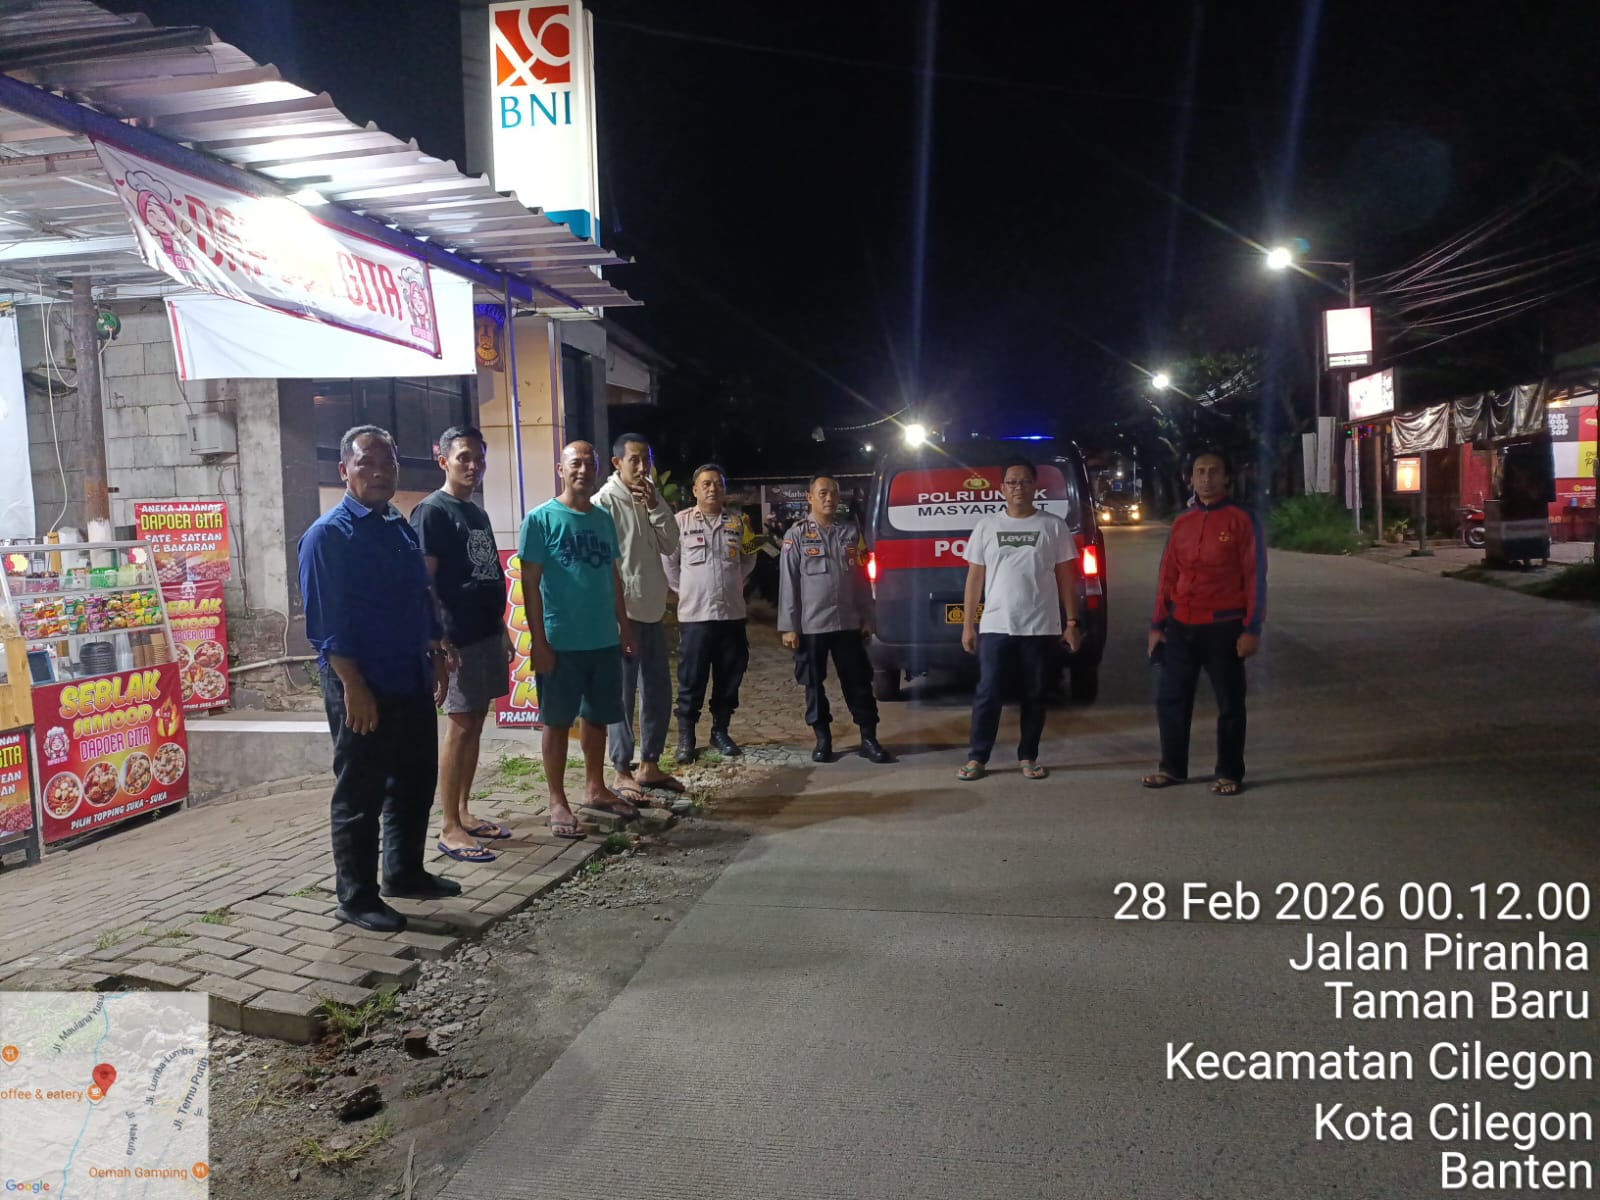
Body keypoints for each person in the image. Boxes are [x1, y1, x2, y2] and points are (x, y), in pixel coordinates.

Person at [297, 425, 458, 933]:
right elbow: (325, 624)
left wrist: (435, 649)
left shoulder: (396, 525)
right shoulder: (328, 536)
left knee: (415, 779)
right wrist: (354, 686)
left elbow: (418, 595)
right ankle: (356, 897)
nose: (379, 472)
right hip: (361, 682)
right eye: (366, 463)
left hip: (409, 673)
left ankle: (404, 872)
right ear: (344, 470)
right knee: (360, 791)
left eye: (388, 463)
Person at [518, 441, 638, 839]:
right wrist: (539, 642)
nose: (583, 470)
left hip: (602, 638)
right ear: (561, 469)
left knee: (598, 716)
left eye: (590, 463)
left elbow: (613, 576)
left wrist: (624, 626)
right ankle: (557, 800)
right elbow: (530, 584)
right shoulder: (540, 519)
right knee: (556, 721)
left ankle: (595, 787)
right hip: (560, 641)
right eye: (575, 463)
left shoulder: (603, 519)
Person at [410, 425, 511, 864]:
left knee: (476, 722)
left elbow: (485, 573)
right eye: (464, 457)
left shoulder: (476, 512)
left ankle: (465, 811)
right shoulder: (431, 512)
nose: (473, 465)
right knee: (460, 724)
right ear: (443, 460)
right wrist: (437, 639)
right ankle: (449, 825)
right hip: (456, 640)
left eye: (479, 458)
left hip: (486, 633)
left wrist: (502, 627)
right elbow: (423, 583)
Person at [1142, 448, 1265, 796]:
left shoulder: (1242, 520)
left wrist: (1252, 629)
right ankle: (1172, 768)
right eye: (1200, 471)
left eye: (1213, 471)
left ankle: (1229, 772)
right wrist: (1157, 626)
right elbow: (1167, 576)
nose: (1206, 478)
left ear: (1226, 477)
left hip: (1224, 626)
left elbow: (1255, 577)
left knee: (1229, 703)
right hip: (1181, 625)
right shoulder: (1182, 522)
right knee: (1172, 699)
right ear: (1191, 478)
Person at [957, 456, 1082, 781]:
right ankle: (977, 757)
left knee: (1035, 694)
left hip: (1041, 626)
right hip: (996, 625)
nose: (1018, 488)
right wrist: (968, 625)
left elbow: (1066, 578)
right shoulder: (987, 526)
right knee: (988, 693)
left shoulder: (1053, 526)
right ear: (1001, 488)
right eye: (1012, 482)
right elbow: (974, 579)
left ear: (1035, 486)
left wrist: (1071, 623)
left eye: (1025, 481)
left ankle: (1028, 755)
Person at [591, 433, 683, 805]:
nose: (643, 467)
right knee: (622, 694)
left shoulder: (650, 497)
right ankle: (621, 769)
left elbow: (671, 543)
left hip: (652, 609)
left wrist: (656, 505)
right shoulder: (604, 502)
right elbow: (603, 563)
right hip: (621, 614)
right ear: (617, 463)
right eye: (634, 460)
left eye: (647, 459)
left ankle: (650, 763)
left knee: (658, 689)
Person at [778, 473, 893, 764]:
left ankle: (869, 738)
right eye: (822, 493)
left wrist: (868, 617)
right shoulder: (796, 535)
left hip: (848, 622)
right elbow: (788, 583)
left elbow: (862, 579)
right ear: (810, 498)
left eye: (833, 493)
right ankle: (823, 739)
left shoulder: (851, 533)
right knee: (813, 684)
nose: (829, 498)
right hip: (811, 625)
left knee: (859, 681)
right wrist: (789, 626)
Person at [664, 463, 761, 763]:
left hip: (731, 616)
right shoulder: (679, 523)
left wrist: (732, 583)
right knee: (691, 679)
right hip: (696, 617)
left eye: (718, 483)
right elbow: (669, 565)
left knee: (729, 677)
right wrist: (690, 590)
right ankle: (686, 738)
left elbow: (750, 558)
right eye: (706, 484)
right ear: (695, 490)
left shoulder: (739, 522)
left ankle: (720, 731)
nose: (712, 488)